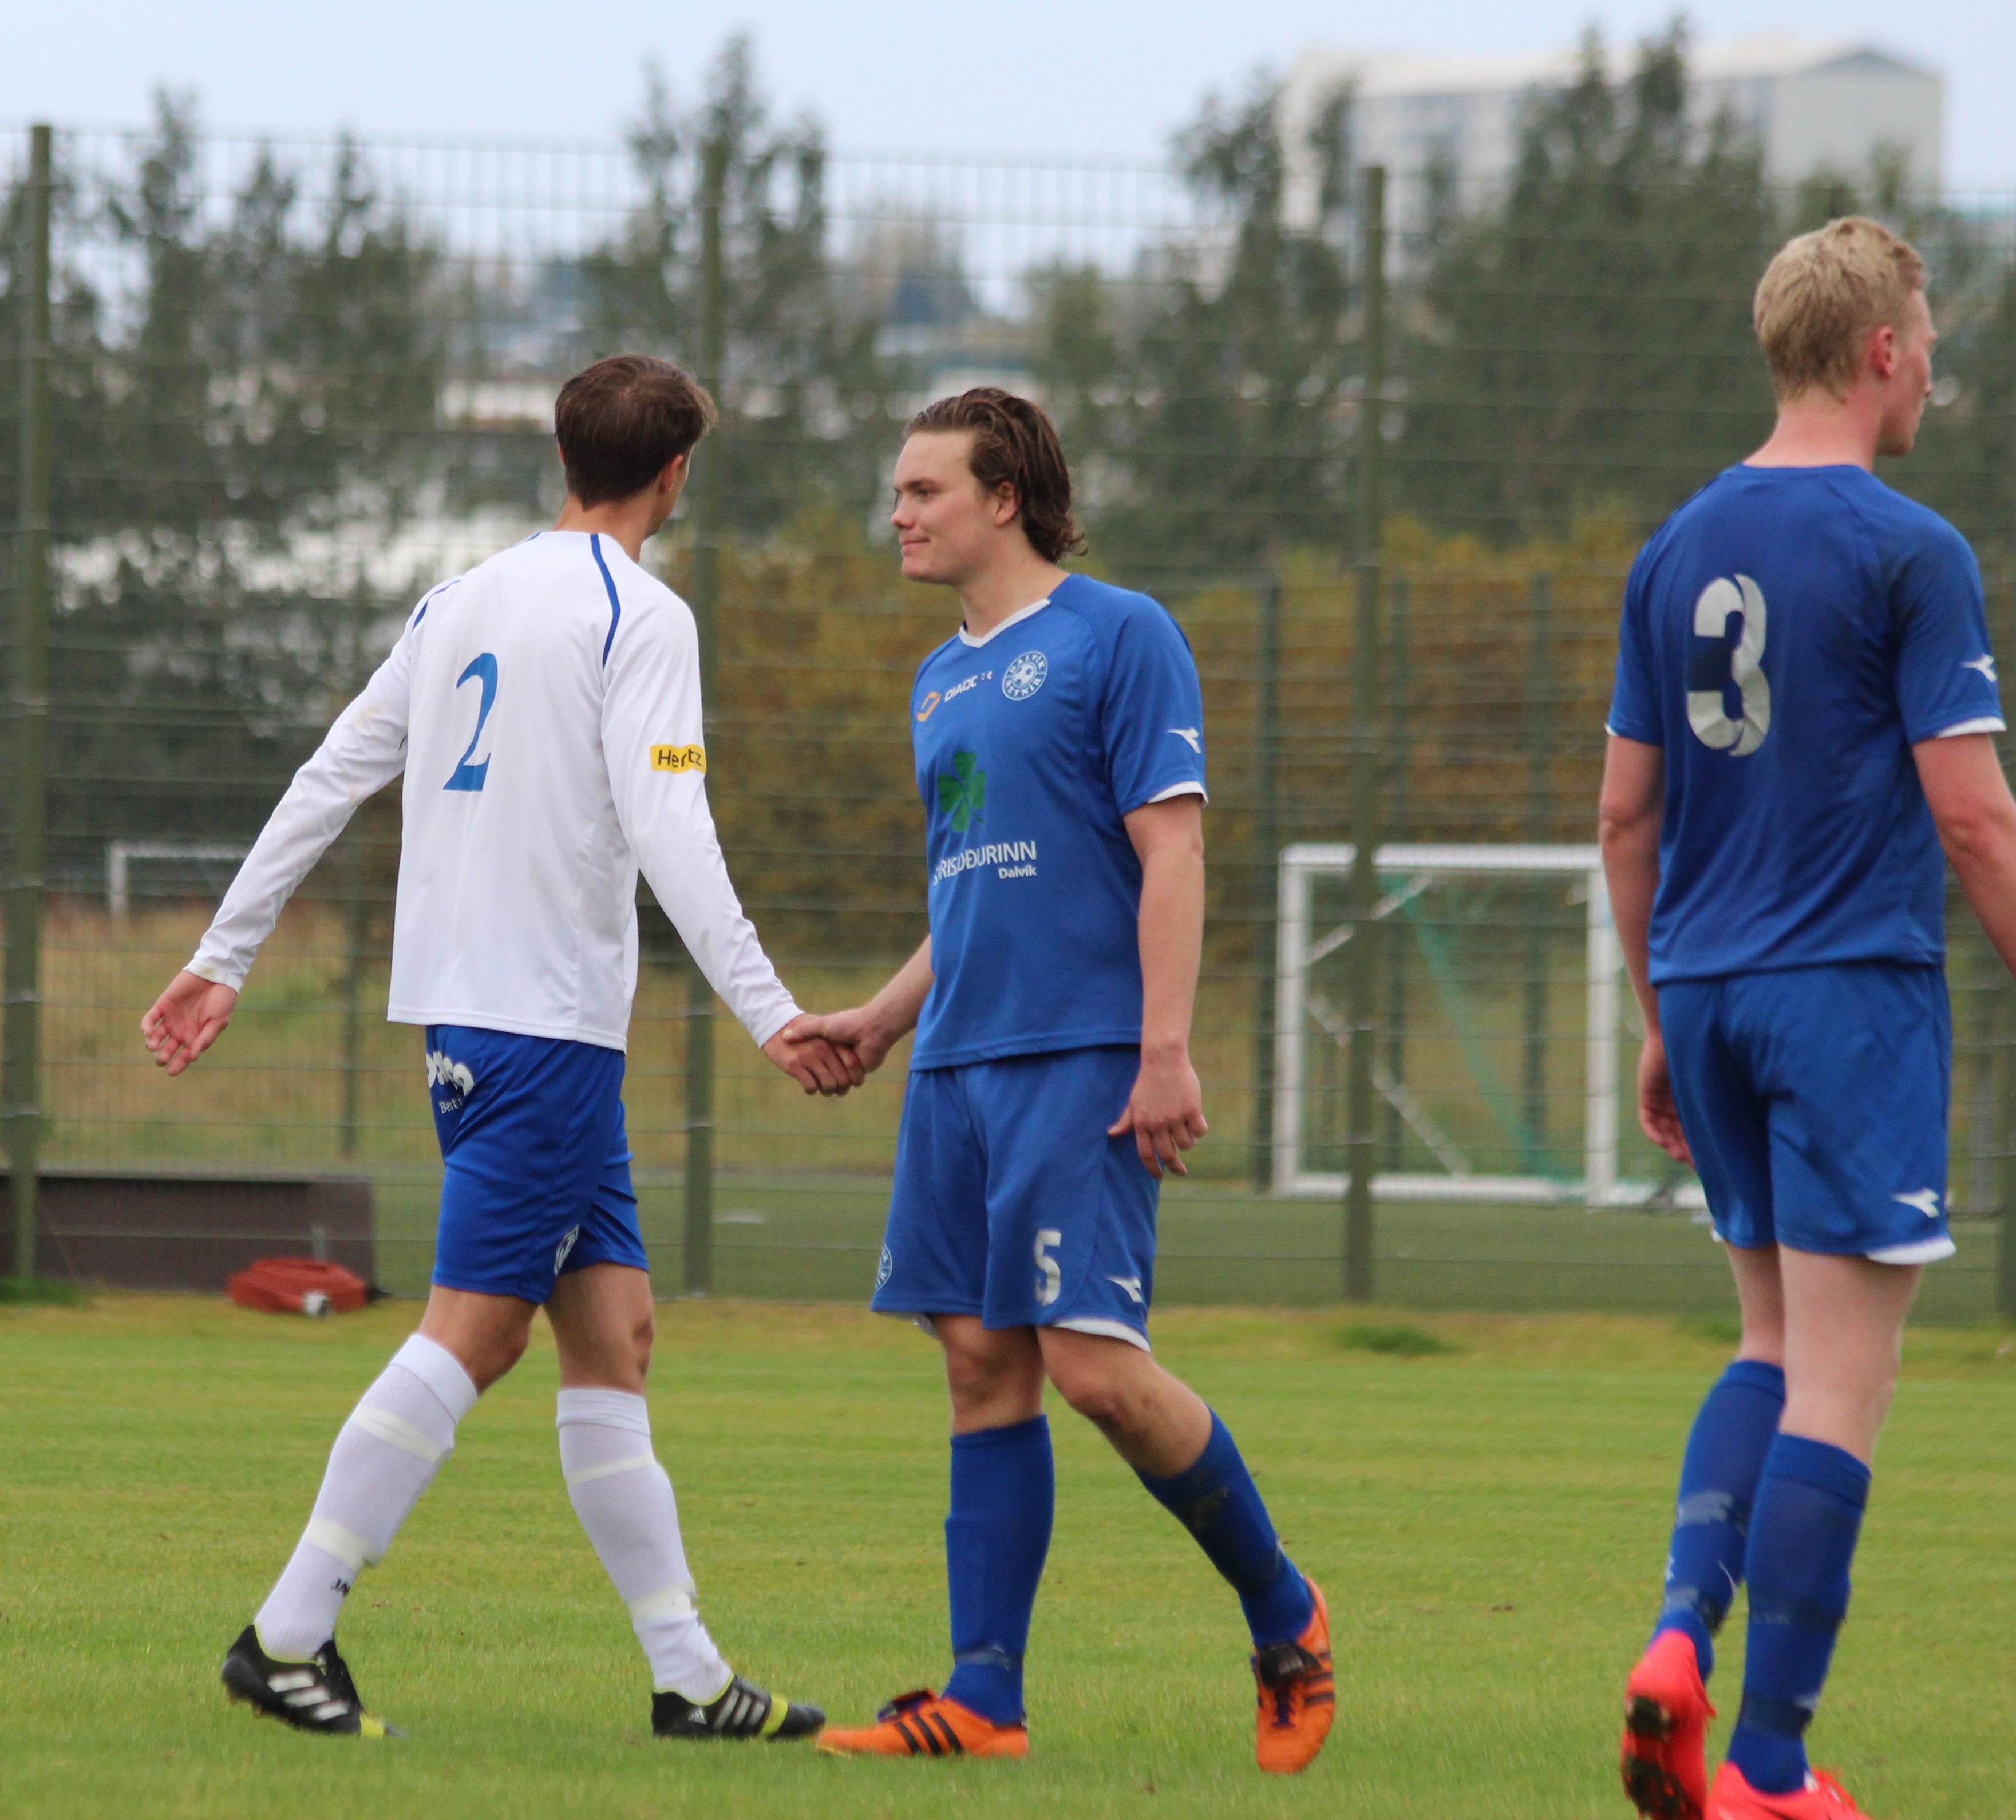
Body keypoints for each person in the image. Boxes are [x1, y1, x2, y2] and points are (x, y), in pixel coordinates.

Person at [143, 354, 855, 1742]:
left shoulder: (458, 598)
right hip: (545, 1031)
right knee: (475, 1334)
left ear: (562, 458)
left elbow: (333, 773)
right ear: (676, 476)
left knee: (615, 1336)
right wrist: (771, 1009)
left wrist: (224, 953)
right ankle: (286, 1635)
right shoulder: (641, 615)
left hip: (476, 1021)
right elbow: (671, 828)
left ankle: (689, 1679)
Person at [797, 391, 1332, 1770]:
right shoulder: (938, 681)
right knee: (982, 1369)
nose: (899, 514)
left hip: (1082, 1059)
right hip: (958, 1066)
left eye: (924, 490)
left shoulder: (1120, 635)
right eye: (897, 491)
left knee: (1093, 1369)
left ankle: (1286, 1615)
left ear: (1005, 500)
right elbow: (970, 890)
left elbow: (1172, 853)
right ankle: (984, 1700)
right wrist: (885, 1020)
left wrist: (1165, 1050)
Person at [1606, 218, 2010, 1820]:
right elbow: (1975, 820)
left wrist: (1658, 1012)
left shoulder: (1672, 548)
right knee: (1844, 1380)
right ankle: (1768, 1767)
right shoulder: (1912, 550)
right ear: (1882, 351)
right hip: (1846, 994)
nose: (1933, 379)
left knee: (1768, 1345)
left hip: (1707, 989)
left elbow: (1623, 818)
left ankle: (1674, 1638)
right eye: (1930, 349)